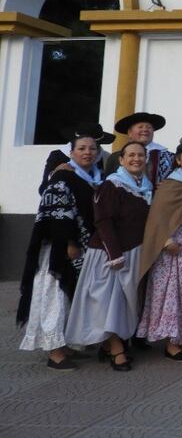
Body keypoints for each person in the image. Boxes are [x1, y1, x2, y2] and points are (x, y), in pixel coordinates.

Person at [18, 130, 108, 370]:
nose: (87, 152)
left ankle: (64, 344)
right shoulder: (63, 176)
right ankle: (54, 351)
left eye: (92, 149)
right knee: (56, 296)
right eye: (82, 148)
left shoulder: (93, 178)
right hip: (61, 249)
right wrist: (68, 242)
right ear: (72, 153)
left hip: (85, 247)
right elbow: (55, 212)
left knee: (71, 297)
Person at [65, 141, 152, 371]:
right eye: (131, 155)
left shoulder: (145, 186)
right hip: (109, 253)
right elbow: (103, 221)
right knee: (107, 303)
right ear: (121, 160)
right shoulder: (112, 185)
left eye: (140, 155)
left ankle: (110, 344)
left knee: (122, 303)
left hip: (133, 251)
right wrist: (114, 253)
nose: (136, 159)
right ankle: (116, 350)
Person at [137, 141, 182, 362]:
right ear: (178, 159)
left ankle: (180, 339)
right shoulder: (171, 184)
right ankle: (170, 343)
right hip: (171, 250)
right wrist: (167, 240)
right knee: (170, 295)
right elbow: (157, 216)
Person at [37, 123, 115, 195]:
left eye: (92, 147)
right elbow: (43, 189)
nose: (87, 152)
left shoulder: (107, 159)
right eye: (82, 148)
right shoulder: (59, 156)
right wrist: (54, 175)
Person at [104, 112, 174, 189]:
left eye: (149, 127)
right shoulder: (115, 157)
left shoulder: (169, 157)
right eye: (140, 127)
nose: (145, 130)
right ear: (130, 133)